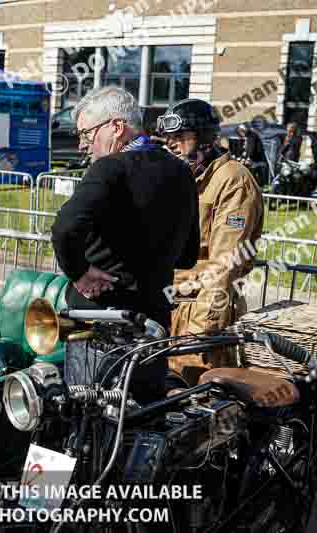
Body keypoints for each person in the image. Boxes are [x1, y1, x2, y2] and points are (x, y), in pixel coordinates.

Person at [50, 86, 200, 405]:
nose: (82, 145)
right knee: (142, 417)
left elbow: (64, 227)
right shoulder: (182, 171)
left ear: (116, 127)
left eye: (87, 135)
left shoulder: (109, 167)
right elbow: (188, 255)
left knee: (81, 412)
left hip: (94, 313)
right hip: (153, 315)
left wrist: (78, 271)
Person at [158, 98, 264, 386]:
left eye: (181, 138)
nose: (172, 145)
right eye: (169, 138)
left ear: (205, 139)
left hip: (200, 309)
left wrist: (200, 334)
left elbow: (224, 266)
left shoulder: (233, 181)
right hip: (166, 307)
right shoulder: (182, 176)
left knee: (193, 404)